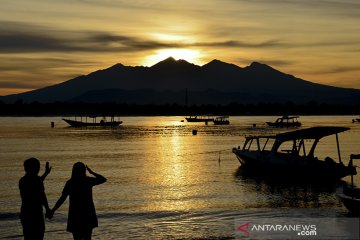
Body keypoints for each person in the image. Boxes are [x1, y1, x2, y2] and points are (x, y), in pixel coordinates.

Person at [49, 162, 106, 240]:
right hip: (87, 213)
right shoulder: (87, 181)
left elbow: (62, 198)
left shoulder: (71, 183)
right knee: (87, 237)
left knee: (77, 237)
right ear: (84, 171)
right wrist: (92, 172)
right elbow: (103, 179)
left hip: (75, 214)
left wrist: (53, 210)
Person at [19, 158, 52, 240]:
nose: (38, 169)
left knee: (28, 236)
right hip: (36, 213)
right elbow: (42, 195)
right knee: (38, 235)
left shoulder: (22, 180)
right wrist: (47, 209)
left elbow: (36, 182)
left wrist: (46, 174)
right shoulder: (37, 180)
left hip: (25, 213)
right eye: (37, 167)